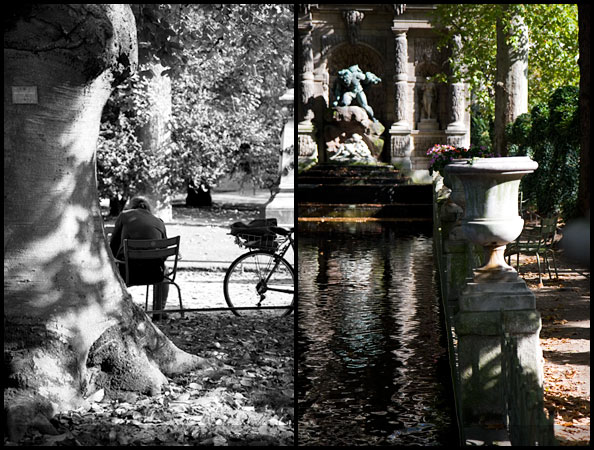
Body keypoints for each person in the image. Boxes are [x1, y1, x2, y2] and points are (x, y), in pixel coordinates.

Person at [109, 196, 169, 320]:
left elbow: (113, 246)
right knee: (165, 271)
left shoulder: (124, 216)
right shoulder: (159, 222)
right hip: (154, 274)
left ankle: (114, 310)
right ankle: (159, 310)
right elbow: (164, 253)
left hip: (128, 273)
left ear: (131, 206)